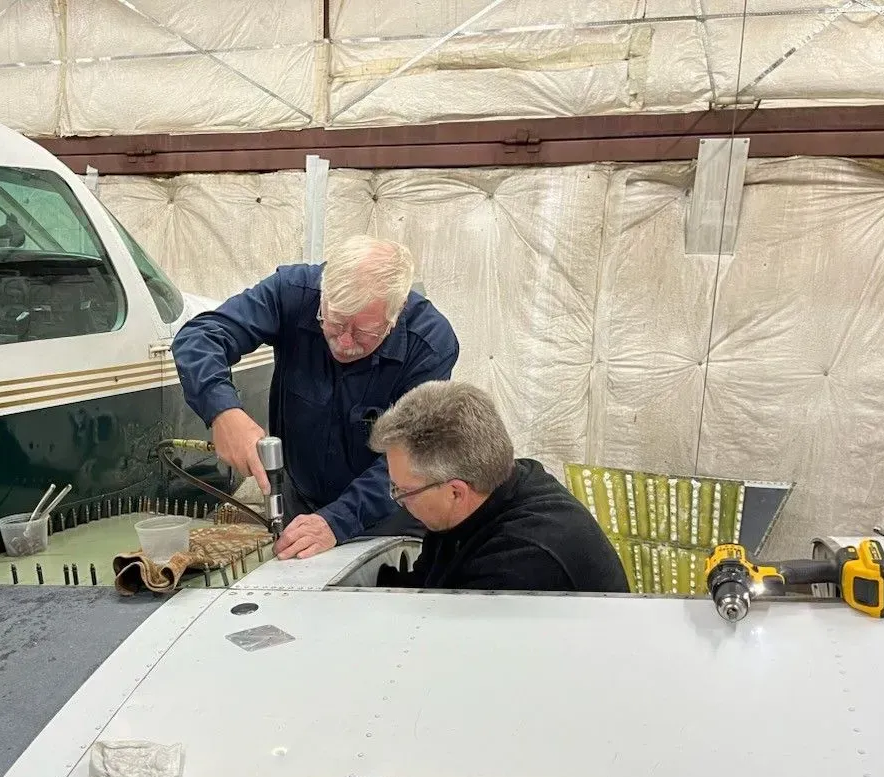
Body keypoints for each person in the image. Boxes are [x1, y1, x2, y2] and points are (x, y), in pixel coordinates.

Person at [172, 235, 459, 560]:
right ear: (322, 295)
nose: (345, 343)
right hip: (301, 505)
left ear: (394, 316)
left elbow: (411, 455)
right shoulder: (292, 292)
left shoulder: (431, 345)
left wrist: (337, 522)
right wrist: (223, 411)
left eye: (364, 332)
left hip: (387, 515)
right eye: (334, 324)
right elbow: (199, 337)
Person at [367, 380, 630, 593]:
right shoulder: (502, 483)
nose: (398, 500)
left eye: (403, 491)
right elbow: (426, 581)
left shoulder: (517, 567)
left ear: (456, 492)